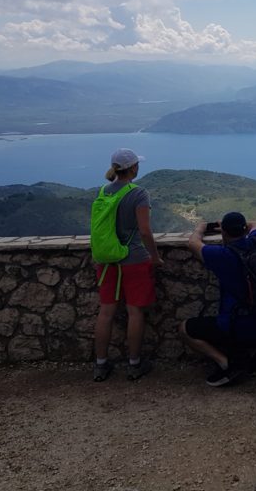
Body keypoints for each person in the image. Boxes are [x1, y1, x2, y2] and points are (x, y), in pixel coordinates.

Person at [92, 148, 162, 382]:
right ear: (133, 168)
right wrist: (155, 256)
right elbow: (144, 230)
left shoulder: (103, 191)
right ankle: (134, 364)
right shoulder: (139, 193)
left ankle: (100, 365)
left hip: (108, 260)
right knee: (135, 312)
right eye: (136, 165)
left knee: (106, 312)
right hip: (133, 260)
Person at [179, 212, 256, 387]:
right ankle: (252, 357)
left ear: (224, 233)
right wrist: (236, 224)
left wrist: (200, 228)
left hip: (237, 325)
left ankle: (227, 363)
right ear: (244, 230)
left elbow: (192, 243)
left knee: (184, 328)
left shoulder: (222, 255)